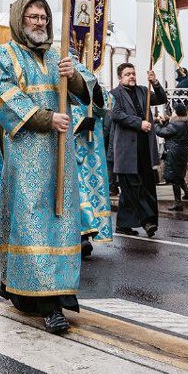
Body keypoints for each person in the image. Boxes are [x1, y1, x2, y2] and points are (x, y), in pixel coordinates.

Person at [0, 0, 95, 334]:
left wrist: (73, 76)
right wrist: (46, 119)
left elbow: (87, 88)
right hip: (28, 154)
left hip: (61, 156)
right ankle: (48, 305)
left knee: (61, 219)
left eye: (44, 17)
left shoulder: (58, 55)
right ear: (20, 20)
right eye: (33, 17)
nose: (40, 22)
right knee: (31, 220)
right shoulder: (6, 54)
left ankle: (55, 291)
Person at [109, 62, 165, 238]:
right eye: (127, 74)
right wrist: (138, 123)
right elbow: (116, 115)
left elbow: (162, 99)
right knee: (134, 187)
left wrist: (155, 82)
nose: (131, 76)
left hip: (144, 147)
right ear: (120, 78)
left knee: (144, 185)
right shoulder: (114, 94)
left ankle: (123, 224)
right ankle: (147, 221)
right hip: (126, 149)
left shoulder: (143, 90)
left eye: (133, 73)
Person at [72, 82, 112, 256]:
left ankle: (85, 236)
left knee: (89, 193)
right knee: (77, 193)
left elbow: (107, 104)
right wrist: (78, 125)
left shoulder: (85, 80)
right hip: (67, 149)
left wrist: (94, 89)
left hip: (90, 151)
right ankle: (79, 238)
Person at [157, 102, 188, 212]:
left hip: (173, 153)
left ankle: (178, 203)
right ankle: (187, 193)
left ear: (176, 113)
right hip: (182, 153)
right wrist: (167, 120)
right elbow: (171, 128)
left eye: (173, 111)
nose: (172, 113)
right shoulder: (186, 122)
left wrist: (158, 123)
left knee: (174, 178)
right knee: (179, 175)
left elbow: (161, 132)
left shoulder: (175, 125)